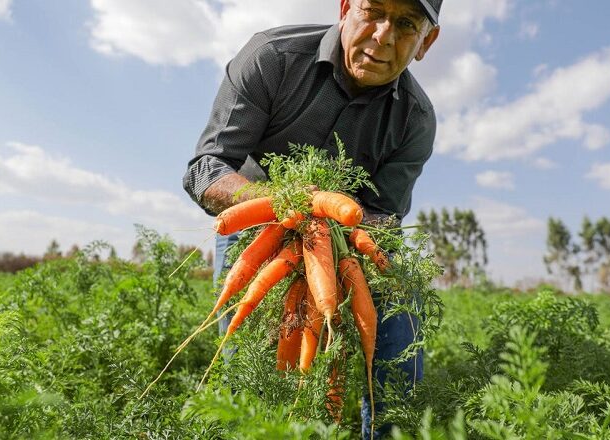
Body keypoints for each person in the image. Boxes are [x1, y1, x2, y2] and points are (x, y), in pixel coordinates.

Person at [182, 0, 441, 437]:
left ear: (425, 42)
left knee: (400, 324)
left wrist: (334, 225)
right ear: (344, 7)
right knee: (251, 359)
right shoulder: (272, 57)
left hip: (346, 239)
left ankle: (385, 423)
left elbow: (385, 216)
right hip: (256, 220)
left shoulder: (415, 119)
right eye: (372, 10)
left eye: (405, 23)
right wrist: (281, 199)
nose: (382, 35)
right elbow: (206, 169)